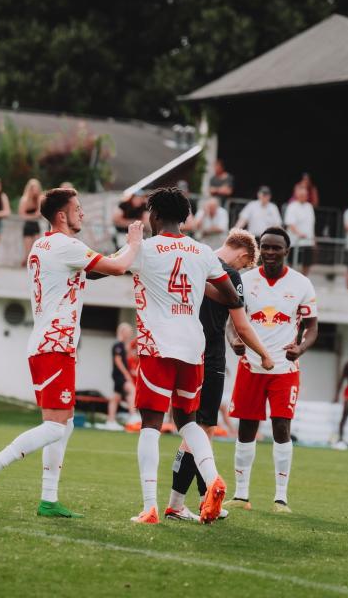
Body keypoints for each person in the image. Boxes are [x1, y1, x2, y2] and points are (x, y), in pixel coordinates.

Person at [0, 189, 143, 518]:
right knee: (56, 426)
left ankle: (49, 499)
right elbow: (118, 267)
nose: (83, 214)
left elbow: (97, 269)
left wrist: (124, 254)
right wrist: (134, 242)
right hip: (54, 345)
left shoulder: (43, 244)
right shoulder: (67, 246)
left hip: (50, 344)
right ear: (62, 215)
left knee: (65, 424)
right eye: (78, 209)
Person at [119, 188, 243, 524]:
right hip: (193, 348)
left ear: (154, 216)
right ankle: (213, 478)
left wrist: (132, 244)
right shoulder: (202, 251)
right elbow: (232, 296)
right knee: (188, 421)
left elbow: (101, 269)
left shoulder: (143, 248)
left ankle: (150, 507)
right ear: (185, 218)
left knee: (151, 425)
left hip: (157, 347)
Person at [167, 229, 274, 521]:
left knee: (197, 430)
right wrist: (264, 354)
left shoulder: (194, 261)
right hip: (208, 359)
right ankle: (176, 504)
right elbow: (242, 325)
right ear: (243, 255)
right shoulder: (227, 274)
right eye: (244, 265)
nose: (241, 269)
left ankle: (204, 499)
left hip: (178, 354)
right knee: (201, 431)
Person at [226, 226, 318, 514]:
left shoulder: (302, 284)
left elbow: (312, 328)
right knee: (246, 429)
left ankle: (281, 498)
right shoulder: (244, 279)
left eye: (275, 247)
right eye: (265, 246)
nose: (269, 252)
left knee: (281, 427)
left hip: (285, 369)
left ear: (286, 251)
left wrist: (300, 349)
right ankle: (241, 495)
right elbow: (233, 320)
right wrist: (234, 341)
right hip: (249, 366)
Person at [103, 323, 136, 430]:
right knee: (132, 390)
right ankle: (132, 415)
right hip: (119, 375)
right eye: (128, 332)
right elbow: (118, 361)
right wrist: (127, 375)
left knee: (115, 398)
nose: (130, 334)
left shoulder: (122, 346)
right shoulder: (118, 345)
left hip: (119, 375)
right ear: (123, 332)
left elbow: (127, 359)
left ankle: (110, 421)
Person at [284, 184, 316, 275]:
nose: (304, 197)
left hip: (308, 241)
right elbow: (290, 224)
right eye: (302, 195)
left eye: (305, 195)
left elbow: (311, 225)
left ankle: (304, 281)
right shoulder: (292, 206)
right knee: (292, 263)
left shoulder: (309, 207)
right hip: (295, 241)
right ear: (297, 195)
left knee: (307, 263)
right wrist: (300, 234)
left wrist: (313, 239)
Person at [18, 178, 43, 267]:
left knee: (36, 250)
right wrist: (33, 216)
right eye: (33, 188)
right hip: (28, 226)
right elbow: (22, 214)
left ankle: (33, 267)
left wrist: (35, 215)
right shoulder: (25, 200)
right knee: (28, 251)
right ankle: (25, 264)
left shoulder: (39, 199)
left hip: (36, 226)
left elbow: (40, 213)